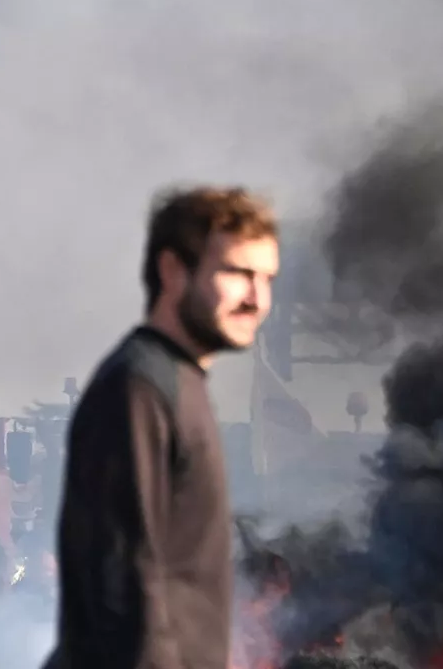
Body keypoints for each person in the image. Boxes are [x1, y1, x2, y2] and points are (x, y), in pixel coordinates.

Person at [43, 186, 280, 669]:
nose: (257, 299)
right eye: (237, 273)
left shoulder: (178, 383)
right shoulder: (141, 388)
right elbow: (124, 576)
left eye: (267, 278)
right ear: (173, 271)